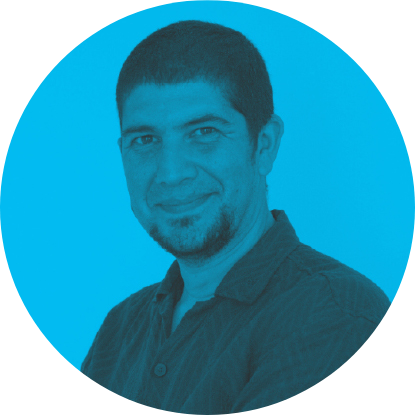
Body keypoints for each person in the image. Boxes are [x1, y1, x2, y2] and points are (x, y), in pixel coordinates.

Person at [81, 20, 391, 413]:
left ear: (264, 146)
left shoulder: (334, 313)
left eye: (204, 132)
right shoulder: (120, 328)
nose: (171, 173)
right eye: (145, 140)